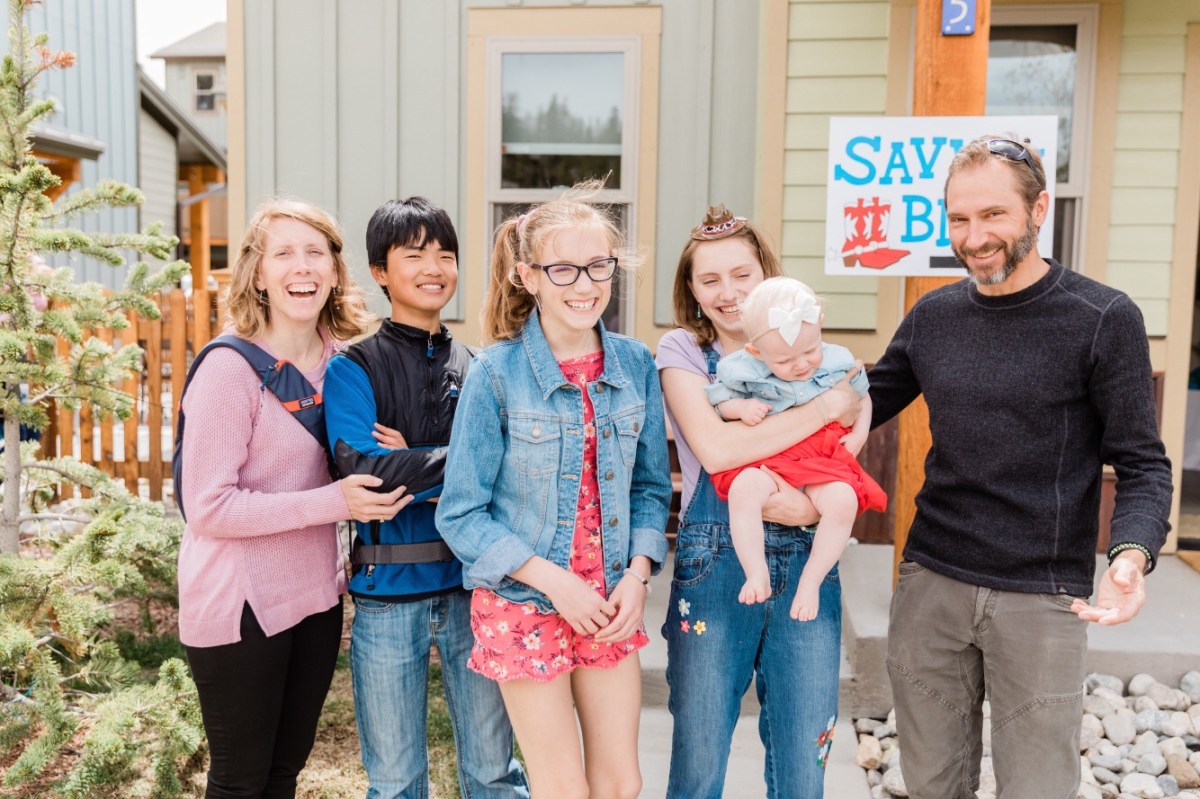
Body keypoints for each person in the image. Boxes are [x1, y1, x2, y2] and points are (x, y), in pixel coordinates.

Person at [868, 135, 1173, 798]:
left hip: (1042, 595)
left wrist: (1131, 554)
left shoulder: (1102, 317)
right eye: (958, 219)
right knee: (930, 783)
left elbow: (1144, 464)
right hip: (932, 584)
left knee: (1039, 787)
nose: (973, 237)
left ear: (1039, 210)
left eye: (993, 215)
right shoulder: (933, 316)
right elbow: (853, 410)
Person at [436, 183, 672, 799]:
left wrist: (638, 575)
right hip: (526, 601)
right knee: (563, 788)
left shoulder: (635, 365)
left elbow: (650, 488)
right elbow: (461, 515)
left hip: (609, 600)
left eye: (598, 266)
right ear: (529, 276)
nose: (584, 285)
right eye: (563, 269)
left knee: (619, 784)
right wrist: (557, 583)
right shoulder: (496, 374)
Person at [177, 199, 410, 799]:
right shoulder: (229, 370)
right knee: (240, 781)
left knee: (284, 775)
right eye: (282, 253)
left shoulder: (345, 363)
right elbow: (208, 507)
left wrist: (394, 453)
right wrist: (333, 502)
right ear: (258, 274)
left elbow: (354, 458)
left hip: (315, 598)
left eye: (315, 253)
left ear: (334, 271)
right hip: (241, 603)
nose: (301, 266)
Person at [322, 197, 528, 799]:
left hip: (475, 589)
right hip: (387, 596)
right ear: (380, 272)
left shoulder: (481, 368)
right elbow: (366, 472)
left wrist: (414, 457)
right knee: (394, 782)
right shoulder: (353, 367)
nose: (434, 267)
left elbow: (512, 467)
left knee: (494, 773)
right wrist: (463, 460)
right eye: (414, 255)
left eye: (445, 254)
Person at [656, 205, 862, 798]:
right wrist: (824, 407)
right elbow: (719, 449)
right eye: (710, 280)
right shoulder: (684, 352)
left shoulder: (815, 347)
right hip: (714, 559)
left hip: (807, 558)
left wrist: (815, 506)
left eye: (742, 274)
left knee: (804, 755)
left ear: (767, 274)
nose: (728, 293)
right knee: (698, 758)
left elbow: (849, 445)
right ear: (692, 290)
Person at [705, 276, 885, 617]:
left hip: (822, 456)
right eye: (785, 361)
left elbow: (863, 398)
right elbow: (720, 400)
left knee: (843, 500)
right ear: (757, 352)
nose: (801, 364)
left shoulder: (838, 360)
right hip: (769, 456)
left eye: (809, 351)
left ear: (820, 326)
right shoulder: (742, 369)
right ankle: (755, 570)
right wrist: (741, 408)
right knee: (744, 488)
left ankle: (811, 581)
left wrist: (860, 434)